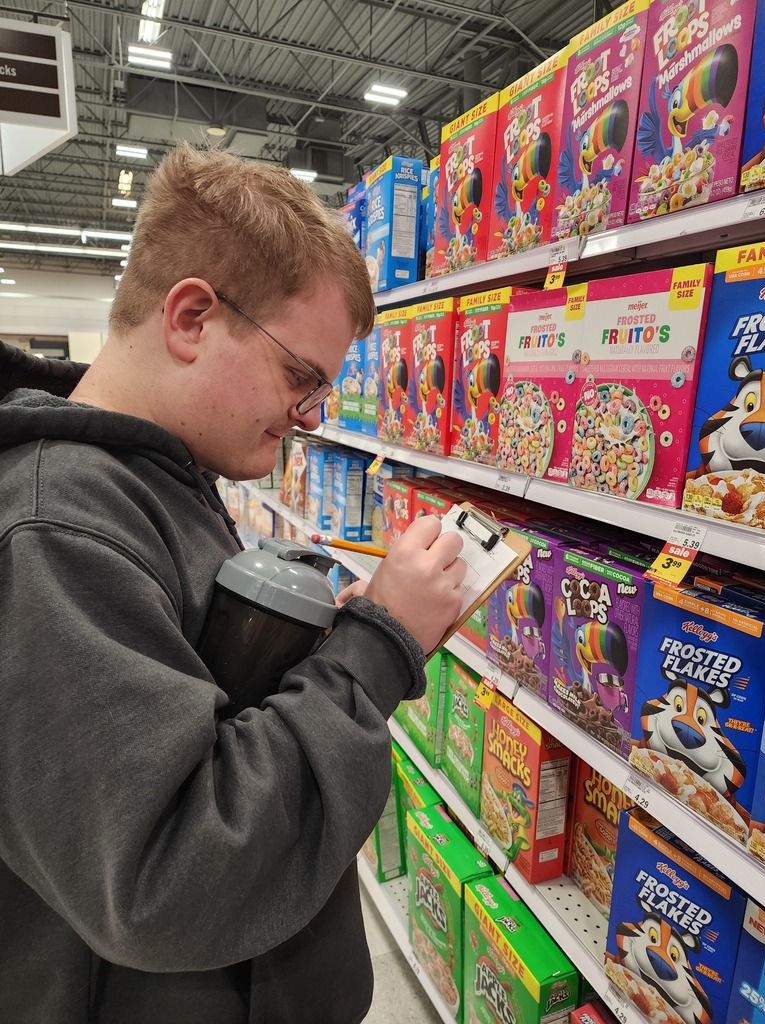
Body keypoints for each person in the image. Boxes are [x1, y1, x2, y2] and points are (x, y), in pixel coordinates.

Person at [0, 143, 466, 1024]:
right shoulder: (56, 528)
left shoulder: (158, 480)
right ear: (189, 318)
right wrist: (378, 649)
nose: (312, 416)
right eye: (301, 376)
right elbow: (167, 873)